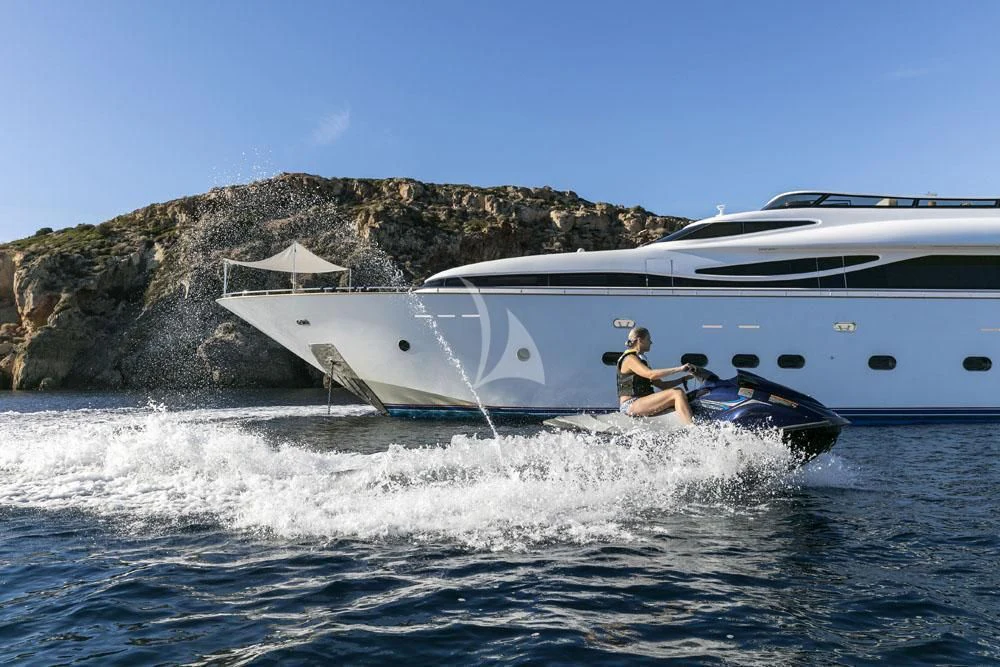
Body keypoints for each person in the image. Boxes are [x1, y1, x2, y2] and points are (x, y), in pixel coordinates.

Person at [616, 326, 695, 423]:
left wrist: (683, 379)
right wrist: (679, 369)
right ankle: (692, 430)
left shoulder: (641, 359)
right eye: (648, 339)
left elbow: (662, 385)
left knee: (684, 397)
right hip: (630, 405)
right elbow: (651, 375)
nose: (651, 342)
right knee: (677, 393)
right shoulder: (630, 359)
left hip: (642, 402)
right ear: (640, 340)